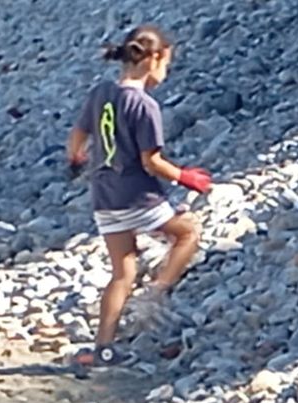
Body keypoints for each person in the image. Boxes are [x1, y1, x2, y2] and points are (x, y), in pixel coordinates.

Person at [67, 25, 211, 371]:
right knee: (187, 233)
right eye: (167, 63)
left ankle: (103, 349)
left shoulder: (101, 92)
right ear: (155, 58)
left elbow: (77, 138)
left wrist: (76, 159)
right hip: (136, 194)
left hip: (104, 196)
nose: (166, 72)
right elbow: (151, 161)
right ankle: (157, 291)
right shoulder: (144, 105)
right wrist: (185, 177)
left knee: (123, 271)